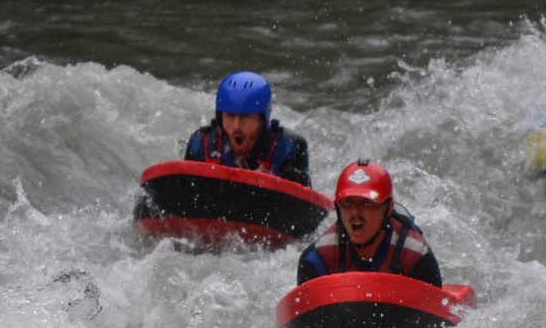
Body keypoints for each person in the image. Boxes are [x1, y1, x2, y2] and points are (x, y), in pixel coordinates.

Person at [298, 160, 441, 287]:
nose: (356, 212)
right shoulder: (318, 257)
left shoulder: (416, 257)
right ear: (338, 208)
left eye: (367, 203)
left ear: (389, 209)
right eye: (348, 202)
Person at [185, 71, 310, 187]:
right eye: (230, 115)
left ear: (262, 121)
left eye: (245, 116)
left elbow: (303, 207)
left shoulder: (289, 148)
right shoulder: (200, 145)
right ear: (220, 117)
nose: (236, 125)